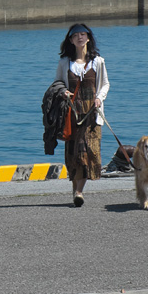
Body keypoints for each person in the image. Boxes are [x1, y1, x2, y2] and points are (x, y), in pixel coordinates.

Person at [55, 23, 109, 207]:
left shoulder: (98, 62)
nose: (80, 37)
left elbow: (105, 84)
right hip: (72, 114)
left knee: (88, 153)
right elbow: (57, 83)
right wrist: (63, 91)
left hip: (92, 115)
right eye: (75, 35)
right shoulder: (65, 62)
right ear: (70, 40)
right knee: (74, 155)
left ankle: (79, 191)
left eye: (83, 34)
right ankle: (76, 189)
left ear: (88, 38)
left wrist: (99, 98)